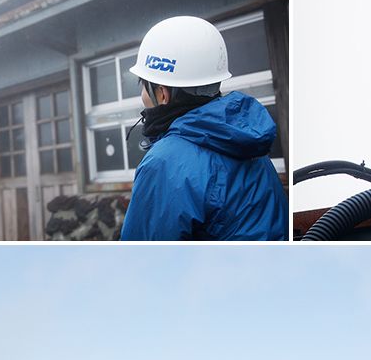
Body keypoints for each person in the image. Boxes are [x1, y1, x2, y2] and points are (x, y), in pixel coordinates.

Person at [119, 15, 288, 241]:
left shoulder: (164, 163)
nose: (142, 97)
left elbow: (140, 260)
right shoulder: (248, 142)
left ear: (161, 93)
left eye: (143, 86)